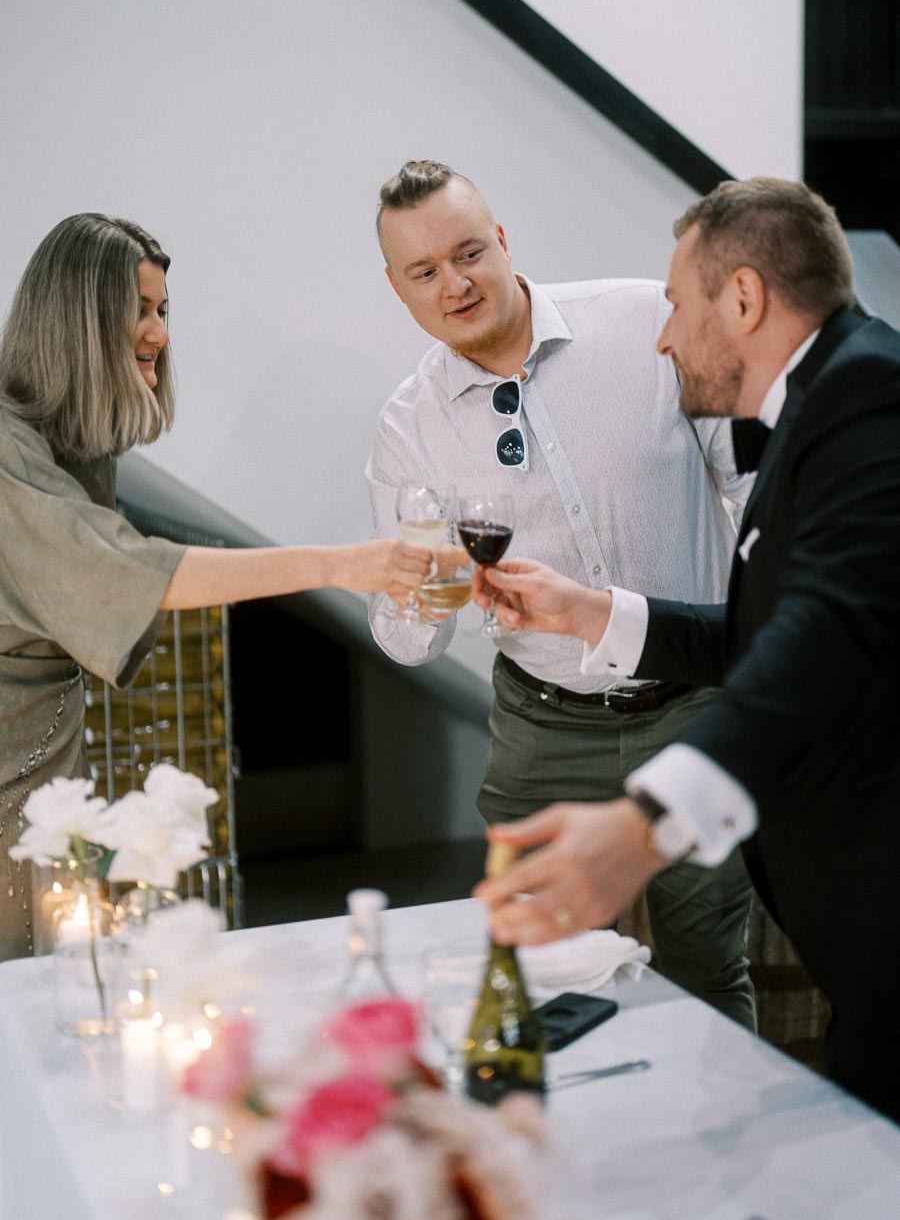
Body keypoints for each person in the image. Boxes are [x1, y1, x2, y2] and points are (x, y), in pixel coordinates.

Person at [474, 176, 900, 1122]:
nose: (664, 335)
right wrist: (591, 612)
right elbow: (755, 636)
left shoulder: (867, 395)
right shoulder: (823, 402)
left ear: (742, 298)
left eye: (676, 303)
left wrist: (644, 826)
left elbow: (822, 636)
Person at [366, 160, 756, 1027]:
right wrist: (422, 598)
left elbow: (751, 487)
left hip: (694, 702)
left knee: (705, 973)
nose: (455, 284)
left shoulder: (645, 323)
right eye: (425, 272)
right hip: (543, 732)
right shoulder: (409, 425)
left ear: (502, 242)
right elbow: (405, 643)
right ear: (399, 290)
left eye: (468, 253)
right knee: (539, 982)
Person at [0, 213, 432, 962]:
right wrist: (337, 564)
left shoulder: (73, 443)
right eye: (139, 309)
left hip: (42, 776)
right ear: (77, 316)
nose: (160, 333)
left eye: (162, 310)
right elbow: (128, 569)